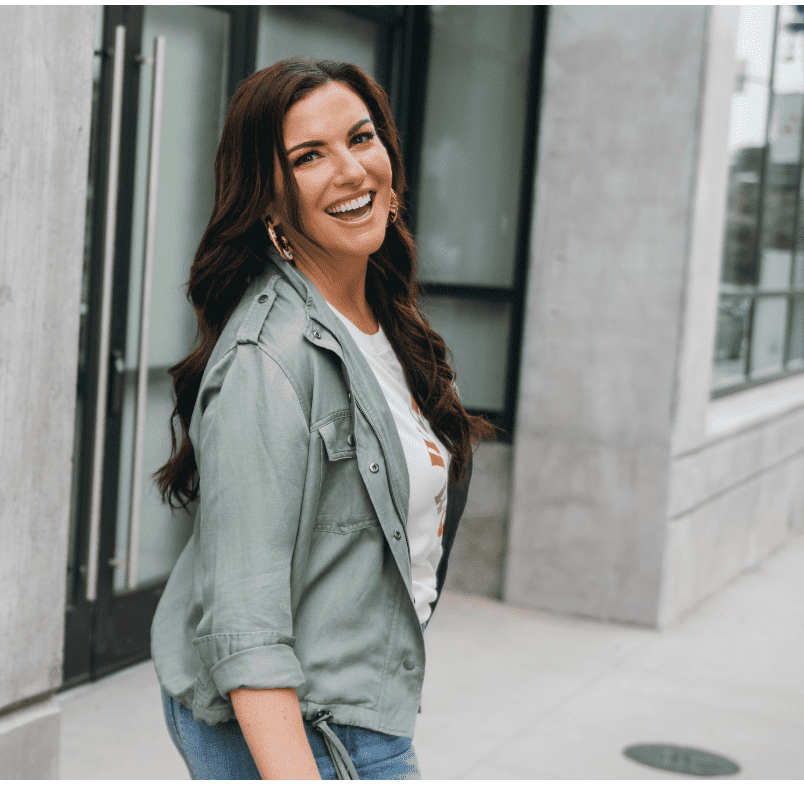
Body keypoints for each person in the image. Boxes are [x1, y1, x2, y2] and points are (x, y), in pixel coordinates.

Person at [150, 57, 494, 780]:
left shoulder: (384, 318)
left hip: (364, 703)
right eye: (309, 156)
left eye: (361, 138)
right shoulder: (266, 363)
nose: (350, 170)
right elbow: (247, 628)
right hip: (308, 735)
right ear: (268, 199)